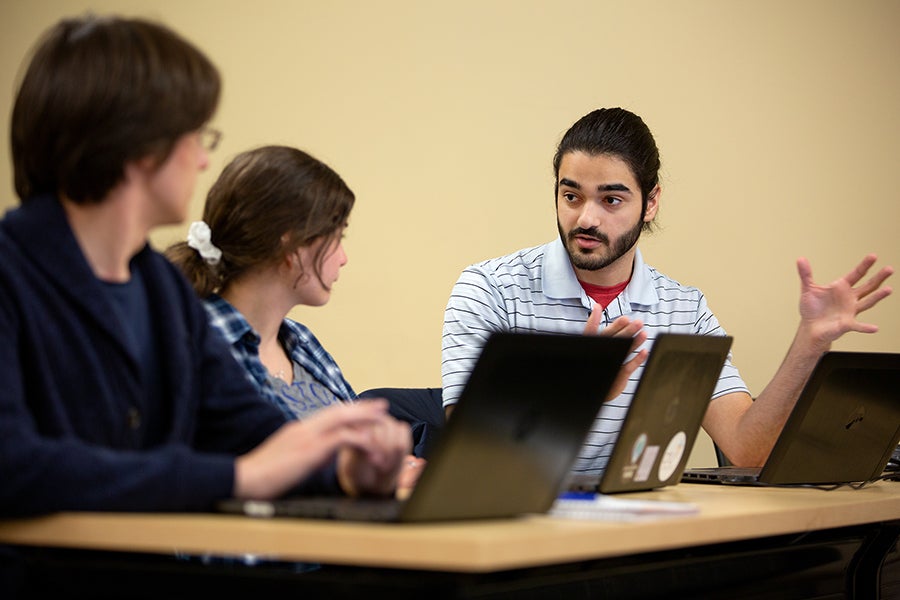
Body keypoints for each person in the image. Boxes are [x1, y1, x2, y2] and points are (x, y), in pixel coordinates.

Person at [0, 14, 411, 524]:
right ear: (137, 146)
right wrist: (238, 478)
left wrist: (347, 472)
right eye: (195, 136)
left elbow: (248, 431)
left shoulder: (160, 291)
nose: (201, 160)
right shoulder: (12, 274)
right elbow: (14, 465)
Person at [441, 107, 893, 474]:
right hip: (518, 532)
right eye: (571, 196)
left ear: (650, 201)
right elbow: (471, 448)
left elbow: (746, 449)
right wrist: (580, 384)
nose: (586, 219)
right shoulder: (490, 288)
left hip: (638, 540)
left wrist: (811, 342)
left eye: (611, 199)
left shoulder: (684, 308)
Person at [166, 145, 438, 491]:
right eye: (337, 237)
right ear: (291, 245)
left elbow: (359, 452)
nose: (343, 258)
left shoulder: (300, 340)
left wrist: (394, 468)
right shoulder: (201, 339)